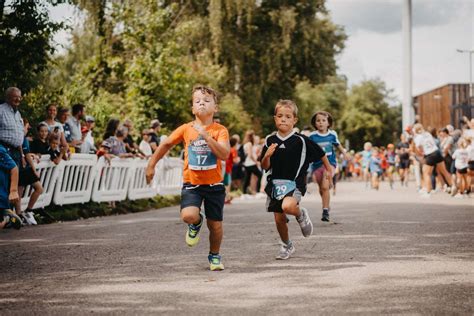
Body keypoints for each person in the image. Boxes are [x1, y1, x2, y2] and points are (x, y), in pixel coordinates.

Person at [146, 85, 230, 271]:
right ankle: (196, 222)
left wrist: (208, 137)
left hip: (214, 185)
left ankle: (214, 256)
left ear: (215, 108)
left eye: (207, 101)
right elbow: (166, 144)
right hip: (192, 183)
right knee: (188, 215)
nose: (202, 103)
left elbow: (224, 154)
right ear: (192, 108)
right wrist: (151, 164)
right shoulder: (185, 129)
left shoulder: (220, 130)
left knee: (215, 225)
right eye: (197, 101)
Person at [259, 100, 332, 260]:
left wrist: (329, 171)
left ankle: (300, 215)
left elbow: (321, 154)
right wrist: (267, 155)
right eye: (280, 116)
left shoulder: (301, 140)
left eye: (288, 116)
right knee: (279, 219)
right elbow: (264, 166)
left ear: (294, 120)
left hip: (294, 183)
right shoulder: (270, 140)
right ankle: (287, 245)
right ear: (275, 118)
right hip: (274, 184)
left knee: (288, 206)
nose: (283, 119)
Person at [308, 111, 348, 222]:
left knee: (325, 187)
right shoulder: (312, 136)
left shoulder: (332, 134)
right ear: (315, 123)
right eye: (318, 121)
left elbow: (338, 145)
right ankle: (326, 204)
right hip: (316, 165)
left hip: (330, 164)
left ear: (328, 123)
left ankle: (325, 211)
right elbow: (307, 149)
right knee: (322, 189)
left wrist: (345, 154)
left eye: (323, 120)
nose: (321, 123)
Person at [412, 123, 456, 197]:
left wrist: (422, 153)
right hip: (437, 152)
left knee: (426, 173)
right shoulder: (427, 134)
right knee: (444, 171)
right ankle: (453, 186)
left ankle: (428, 192)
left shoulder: (417, 137)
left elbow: (419, 149)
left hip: (429, 154)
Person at [16, 119, 43, 225]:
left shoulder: (22, 138)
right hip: (24, 168)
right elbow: (26, 154)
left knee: (22, 190)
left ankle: (26, 211)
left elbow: (26, 152)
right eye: (27, 127)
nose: (27, 129)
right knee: (21, 191)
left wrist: (32, 154)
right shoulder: (21, 137)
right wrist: (34, 170)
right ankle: (19, 214)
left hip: (22, 167)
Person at [242, 130, 262, 195]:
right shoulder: (250, 144)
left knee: (247, 178)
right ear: (251, 136)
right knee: (260, 175)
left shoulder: (245, 144)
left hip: (246, 163)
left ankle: (244, 193)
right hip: (251, 163)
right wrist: (256, 162)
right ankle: (258, 191)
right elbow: (250, 155)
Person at [224, 136, 240, 203]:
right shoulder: (233, 150)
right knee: (228, 183)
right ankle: (226, 198)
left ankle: (226, 197)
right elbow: (235, 160)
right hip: (228, 168)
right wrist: (239, 159)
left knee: (225, 183)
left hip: (224, 167)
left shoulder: (228, 149)